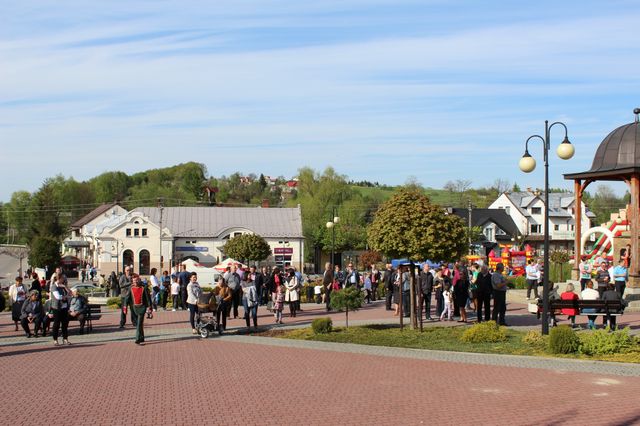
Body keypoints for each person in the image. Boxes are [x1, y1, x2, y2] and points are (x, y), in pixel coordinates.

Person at [123, 273, 152, 344]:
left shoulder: (143, 288)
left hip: (142, 308)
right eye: (134, 281)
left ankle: (137, 339)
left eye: (136, 280)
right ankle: (142, 338)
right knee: (139, 324)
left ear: (139, 280)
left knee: (139, 323)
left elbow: (148, 299)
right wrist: (125, 307)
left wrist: (149, 307)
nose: (135, 282)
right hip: (134, 308)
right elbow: (126, 298)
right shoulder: (131, 288)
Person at [50, 274, 71, 346]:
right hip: (57, 308)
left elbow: (70, 293)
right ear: (58, 279)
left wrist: (65, 287)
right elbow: (58, 297)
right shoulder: (54, 287)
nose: (64, 279)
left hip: (64, 307)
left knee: (65, 324)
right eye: (63, 278)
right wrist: (65, 297)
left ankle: (65, 339)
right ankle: (55, 340)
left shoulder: (63, 286)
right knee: (56, 324)